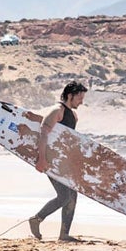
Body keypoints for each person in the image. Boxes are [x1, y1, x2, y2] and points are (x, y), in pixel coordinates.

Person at [28, 81, 88, 242]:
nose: (81, 102)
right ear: (70, 96)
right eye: (79, 98)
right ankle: (36, 219)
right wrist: (41, 159)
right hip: (50, 160)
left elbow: (57, 129)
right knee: (64, 196)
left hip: (63, 160)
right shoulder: (57, 110)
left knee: (72, 195)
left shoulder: (72, 115)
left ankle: (64, 234)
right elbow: (44, 133)